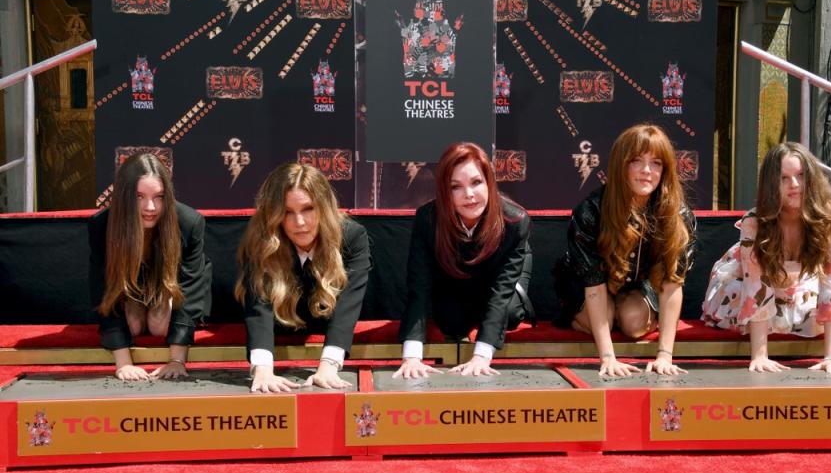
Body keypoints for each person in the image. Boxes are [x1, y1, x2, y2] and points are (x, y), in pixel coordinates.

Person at [702, 141, 831, 373]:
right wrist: (760, 356)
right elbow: (755, 287)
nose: (794, 185)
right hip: (743, 283)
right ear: (770, 184)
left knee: (809, 308)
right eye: (783, 178)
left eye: (801, 176)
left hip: (797, 285)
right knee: (745, 297)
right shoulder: (754, 222)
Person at [554, 124, 696, 377]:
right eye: (636, 161)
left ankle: (623, 312)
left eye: (656, 163)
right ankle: (580, 317)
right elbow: (594, 287)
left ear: (665, 170)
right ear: (621, 165)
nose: (646, 171)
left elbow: (672, 284)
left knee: (633, 324)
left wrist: (665, 356)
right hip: (589, 286)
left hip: (637, 288)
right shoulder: (591, 210)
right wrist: (608, 358)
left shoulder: (678, 214)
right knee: (606, 321)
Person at [394, 142, 534, 379]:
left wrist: (481, 356)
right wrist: (411, 357)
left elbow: (501, 292)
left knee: (509, 312)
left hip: (497, 284)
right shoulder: (428, 219)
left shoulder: (516, 222)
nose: (469, 195)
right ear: (444, 191)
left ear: (489, 181)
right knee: (450, 321)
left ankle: (486, 324)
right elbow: (419, 286)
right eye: (456, 187)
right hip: (456, 284)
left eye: (476, 183)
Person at [236, 163, 371, 393]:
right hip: (278, 327)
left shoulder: (352, 237)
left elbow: (348, 305)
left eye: (308, 209)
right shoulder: (262, 239)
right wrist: (263, 369)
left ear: (324, 207)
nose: (299, 222)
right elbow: (258, 306)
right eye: (288, 212)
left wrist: (329, 366)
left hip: (329, 324)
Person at [89, 153, 212, 381]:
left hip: (168, 288)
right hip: (129, 292)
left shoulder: (189, 222)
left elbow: (191, 290)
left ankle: (155, 309)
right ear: (125, 196)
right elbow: (102, 289)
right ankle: (140, 308)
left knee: (159, 327)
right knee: (133, 327)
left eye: (159, 197)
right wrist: (123, 363)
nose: (150, 207)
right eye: (138, 197)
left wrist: (177, 360)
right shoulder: (102, 225)